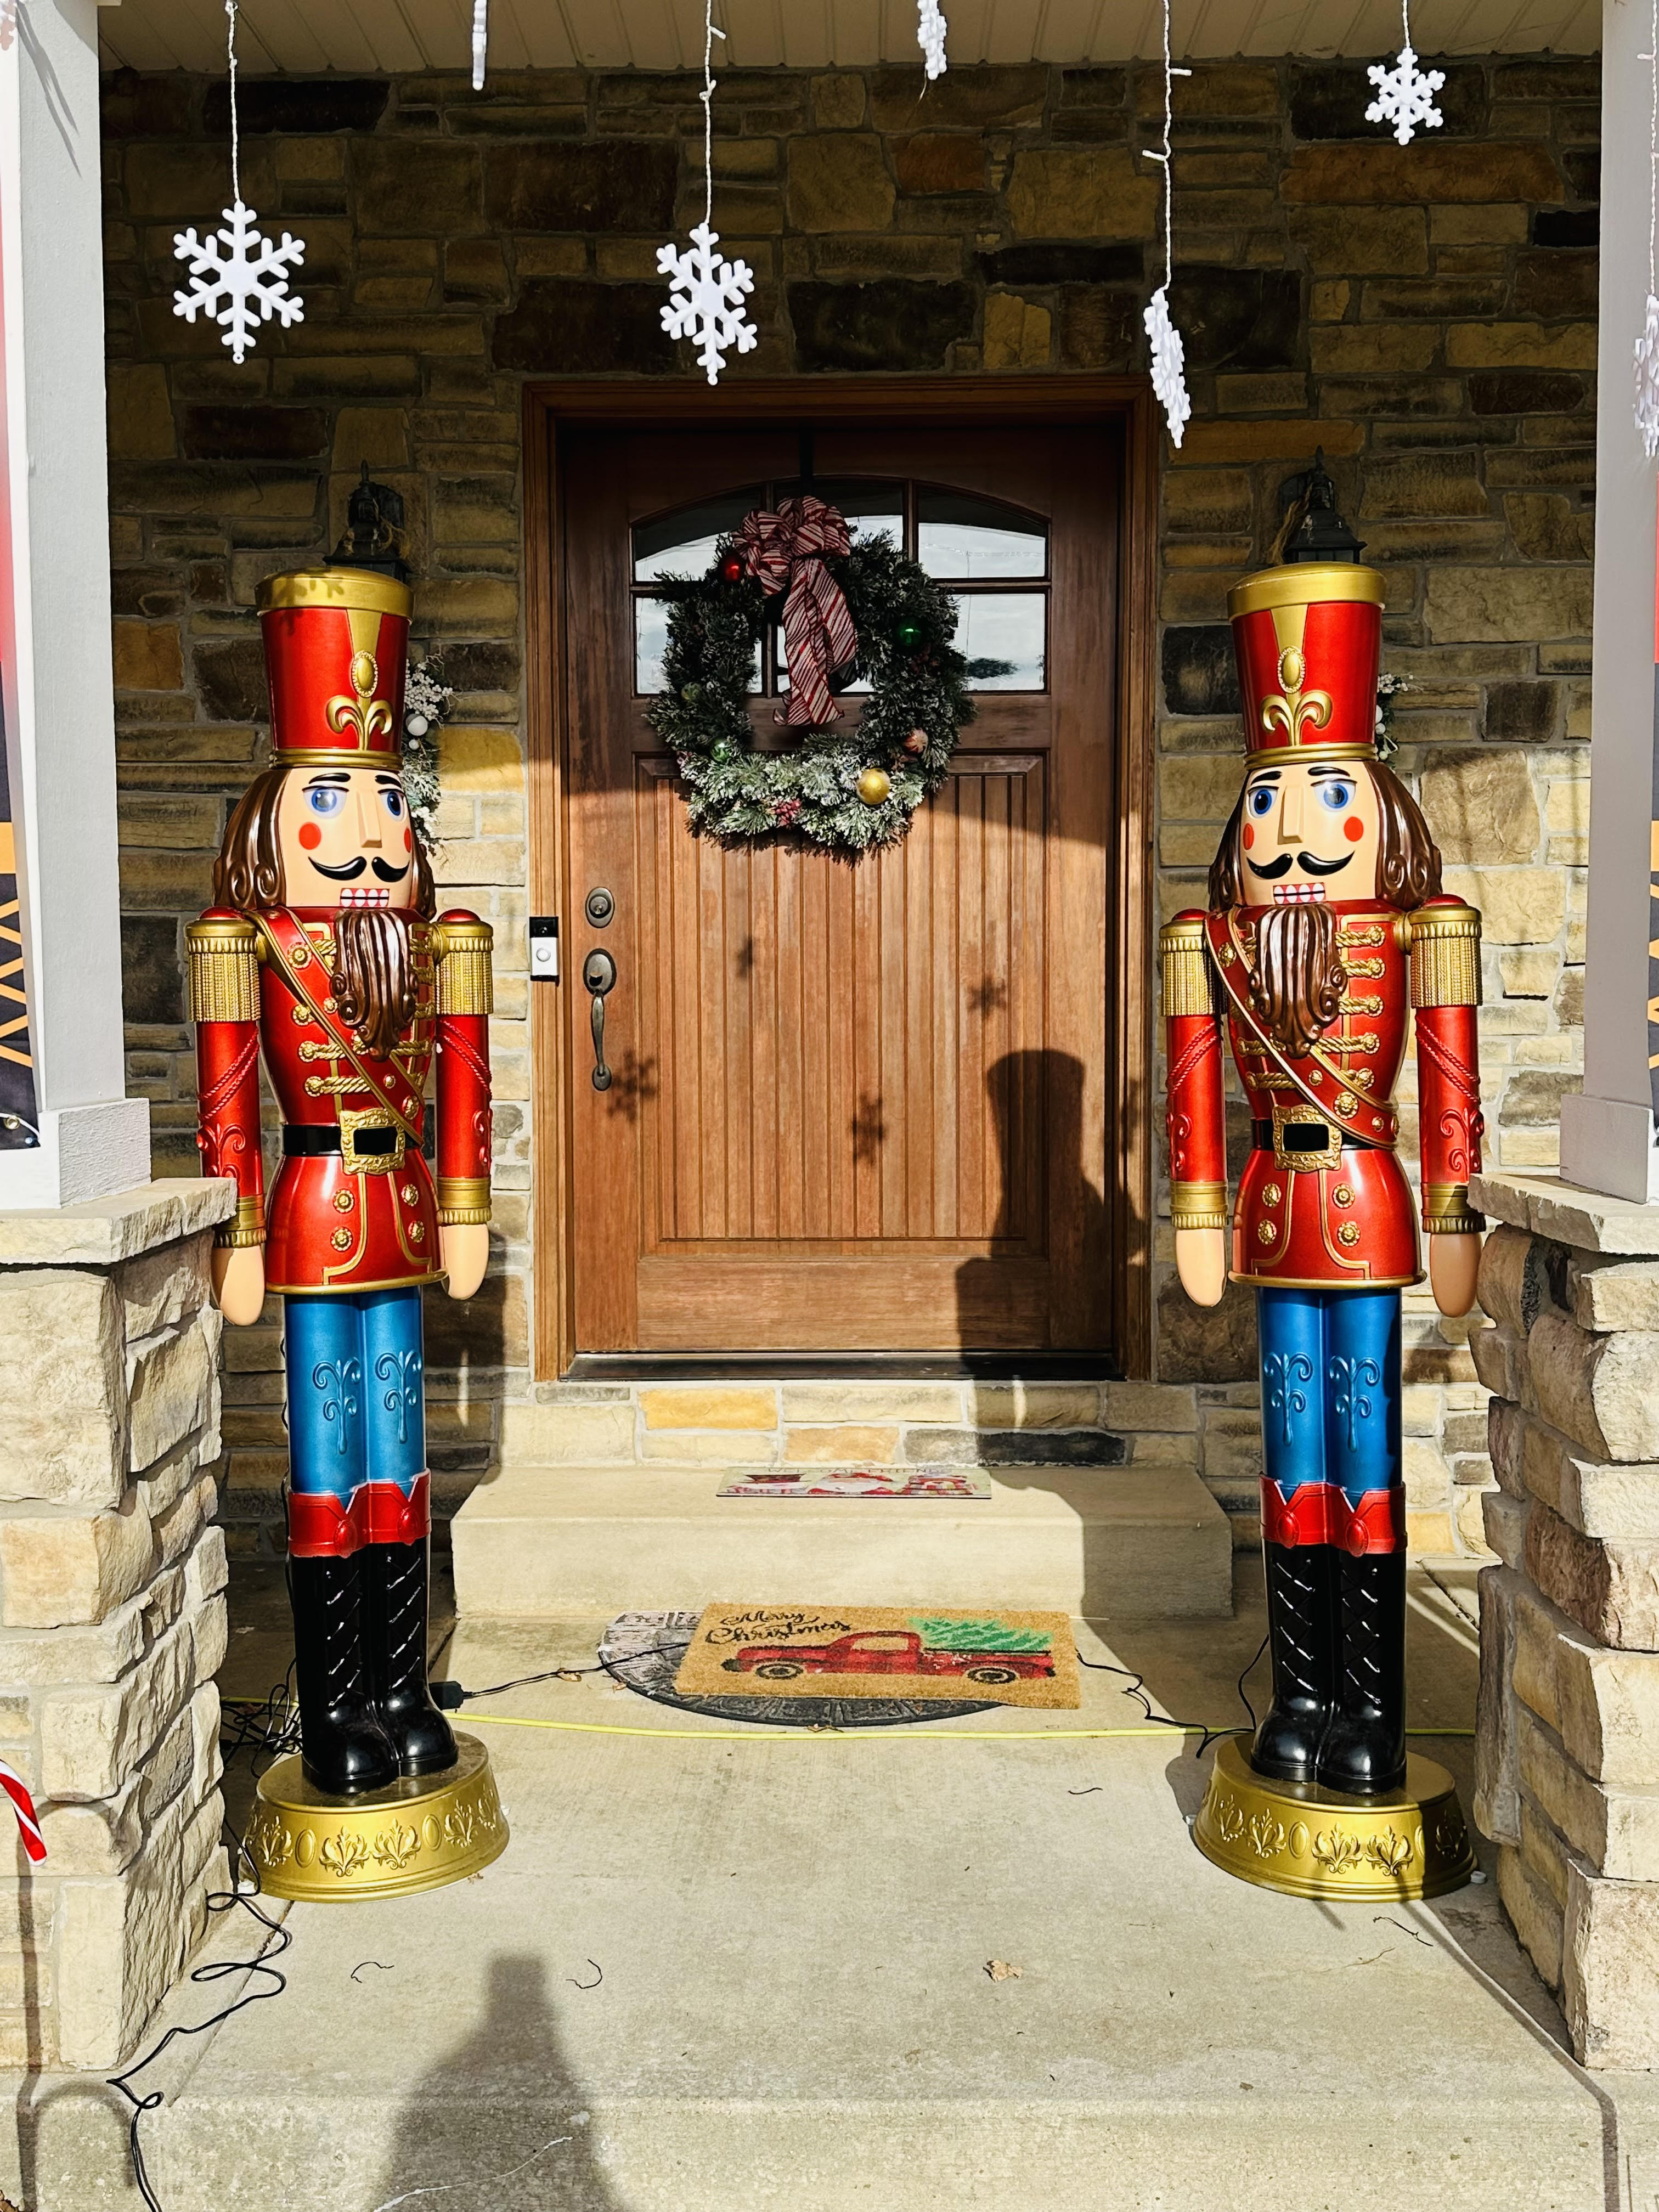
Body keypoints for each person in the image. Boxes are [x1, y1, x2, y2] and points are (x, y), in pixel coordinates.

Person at [1161, 549, 1483, 1797]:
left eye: (1325, 798)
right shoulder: (1214, 942)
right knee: (1290, 1450)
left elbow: (1447, 1088)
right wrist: (1198, 1205)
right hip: (1272, 1208)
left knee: (1368, 1450)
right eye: (1267, 805)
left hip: (1364, 1194)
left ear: (1384, 814)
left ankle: (1375, 1712)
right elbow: (1196, 1085)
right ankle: (1300, 1693)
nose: (1290, 835)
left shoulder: (1422, 930)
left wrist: (1453, 1211)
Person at [189, 565, 493, 1796]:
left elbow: (463, 1077)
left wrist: (466, 1202)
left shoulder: (438, 942)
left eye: (385, 801)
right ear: (273, 823)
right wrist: (241, 1231)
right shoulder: (243, 942)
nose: (373, 833)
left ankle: (403, 1685)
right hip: (315, 1210)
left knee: (402, 1449)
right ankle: (332, 1709)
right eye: (335, 797)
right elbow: (228, 1102)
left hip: (405, 1216)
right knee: (328, 1455)